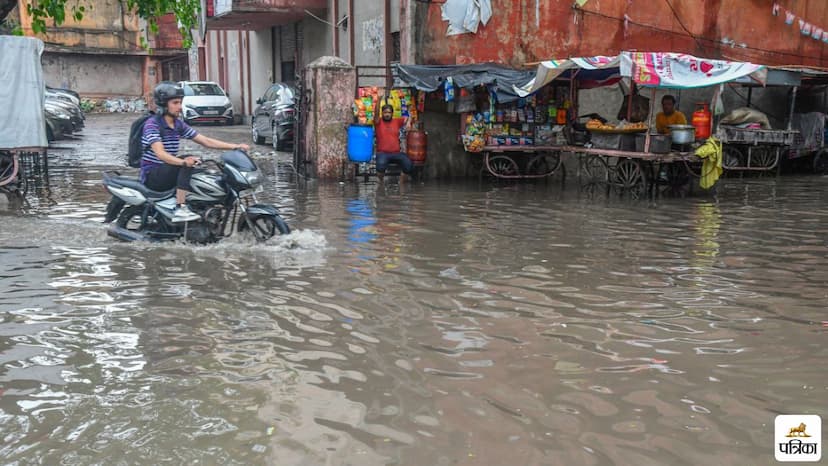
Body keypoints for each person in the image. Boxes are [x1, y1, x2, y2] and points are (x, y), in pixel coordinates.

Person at [141, 82, 250, 222]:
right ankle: (180, 207)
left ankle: (203, 211)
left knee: (203, 173)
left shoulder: (177, 124)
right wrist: (184, 162)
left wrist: (235, 146)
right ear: (163, 104)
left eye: (180, 102)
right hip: (153, 175)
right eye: (175, 103)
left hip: (167, 171)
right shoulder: (152, 124)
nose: (179, 107)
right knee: (187, 161)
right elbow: (160, 154)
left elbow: (205, 140)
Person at [373, 97, 413, 183]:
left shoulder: (396, 121)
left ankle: (401, 183)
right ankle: (381, 182)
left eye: (389, 112)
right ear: (382, 113)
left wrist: (409, 121)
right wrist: (379, 99)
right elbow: (376, 113)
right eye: (385, 112)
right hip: (383, 153)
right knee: (380, 166)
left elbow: (407, 118)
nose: (387, 114)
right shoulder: (378, 122)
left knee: (408, 164)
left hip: (396, 153)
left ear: (392, 113)